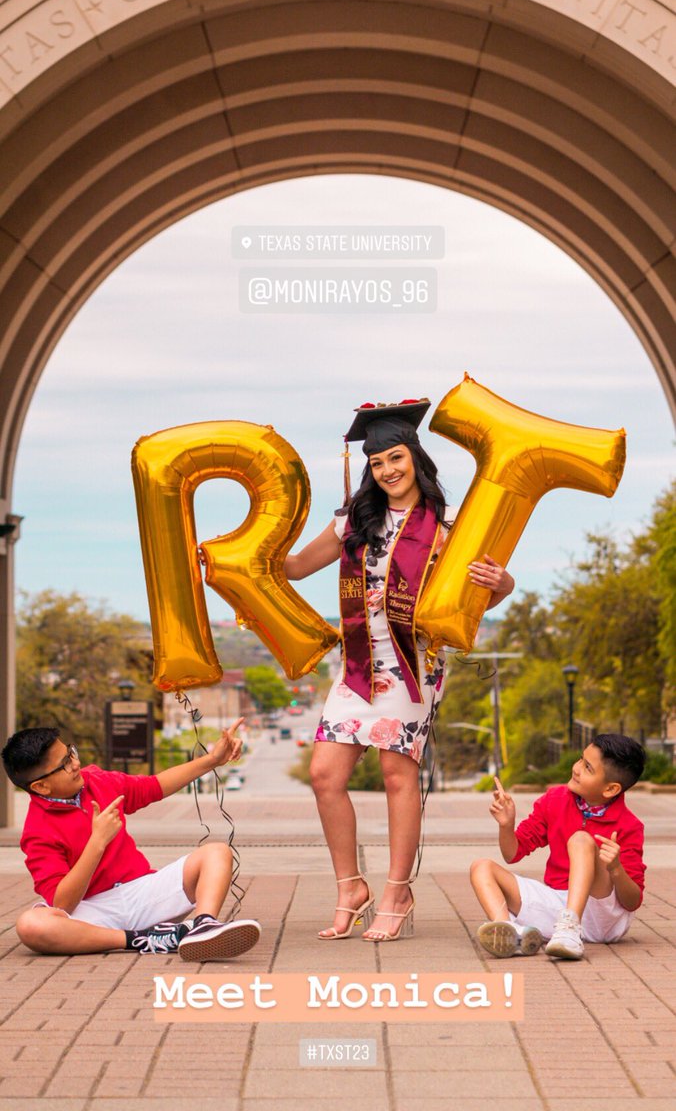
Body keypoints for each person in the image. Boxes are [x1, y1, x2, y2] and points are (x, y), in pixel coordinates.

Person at [284, 398, 514, 942]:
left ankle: (396, 889)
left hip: (413, 665)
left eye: (396, 458)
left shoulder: (449, 526)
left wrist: (502, 584)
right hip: (359, 663)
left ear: (415, 457)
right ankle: (350, 887)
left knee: (396, 776)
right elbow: (293, 568)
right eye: (378, 463)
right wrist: (231, 558)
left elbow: (484, 595)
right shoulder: (352, 522)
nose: (387, 471)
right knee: (324, 775)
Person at [1, 722, 262, 960]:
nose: (75, 764)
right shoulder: (37, 831)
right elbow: (63, 903)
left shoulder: (97, 780)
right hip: (92, 912)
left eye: (70, 753)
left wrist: (213, 760)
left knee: (217, 852)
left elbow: (155, 785)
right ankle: (145, 939)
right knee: (31, 925)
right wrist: (97, 842)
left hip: (143, 893)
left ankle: (203, 927)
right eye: (64, 764)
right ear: (41, 787)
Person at [470, 733, 646, 960]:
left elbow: (632, 902)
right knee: (481, 867)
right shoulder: (555, 800)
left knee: (581, 839)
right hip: (557, 904)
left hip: (602, 916)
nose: (576, 768)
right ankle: (509, 932)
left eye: (588, 768)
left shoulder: (629, 825)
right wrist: (506, 825)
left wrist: (615, 869)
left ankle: (570, 929)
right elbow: (512, 853)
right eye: (581, 760)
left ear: (611, 789)